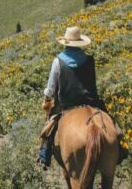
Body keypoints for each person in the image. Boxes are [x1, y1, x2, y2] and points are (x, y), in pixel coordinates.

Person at [38, 27, 126, 169]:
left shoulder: (57, 61)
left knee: (48, 129)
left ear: (65, 42)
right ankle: (120, 150)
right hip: (92, 103)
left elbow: (51, 88)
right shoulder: (89, 60)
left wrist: (46, 99)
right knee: (112, 124)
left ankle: (44, 155)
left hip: (66, 105)